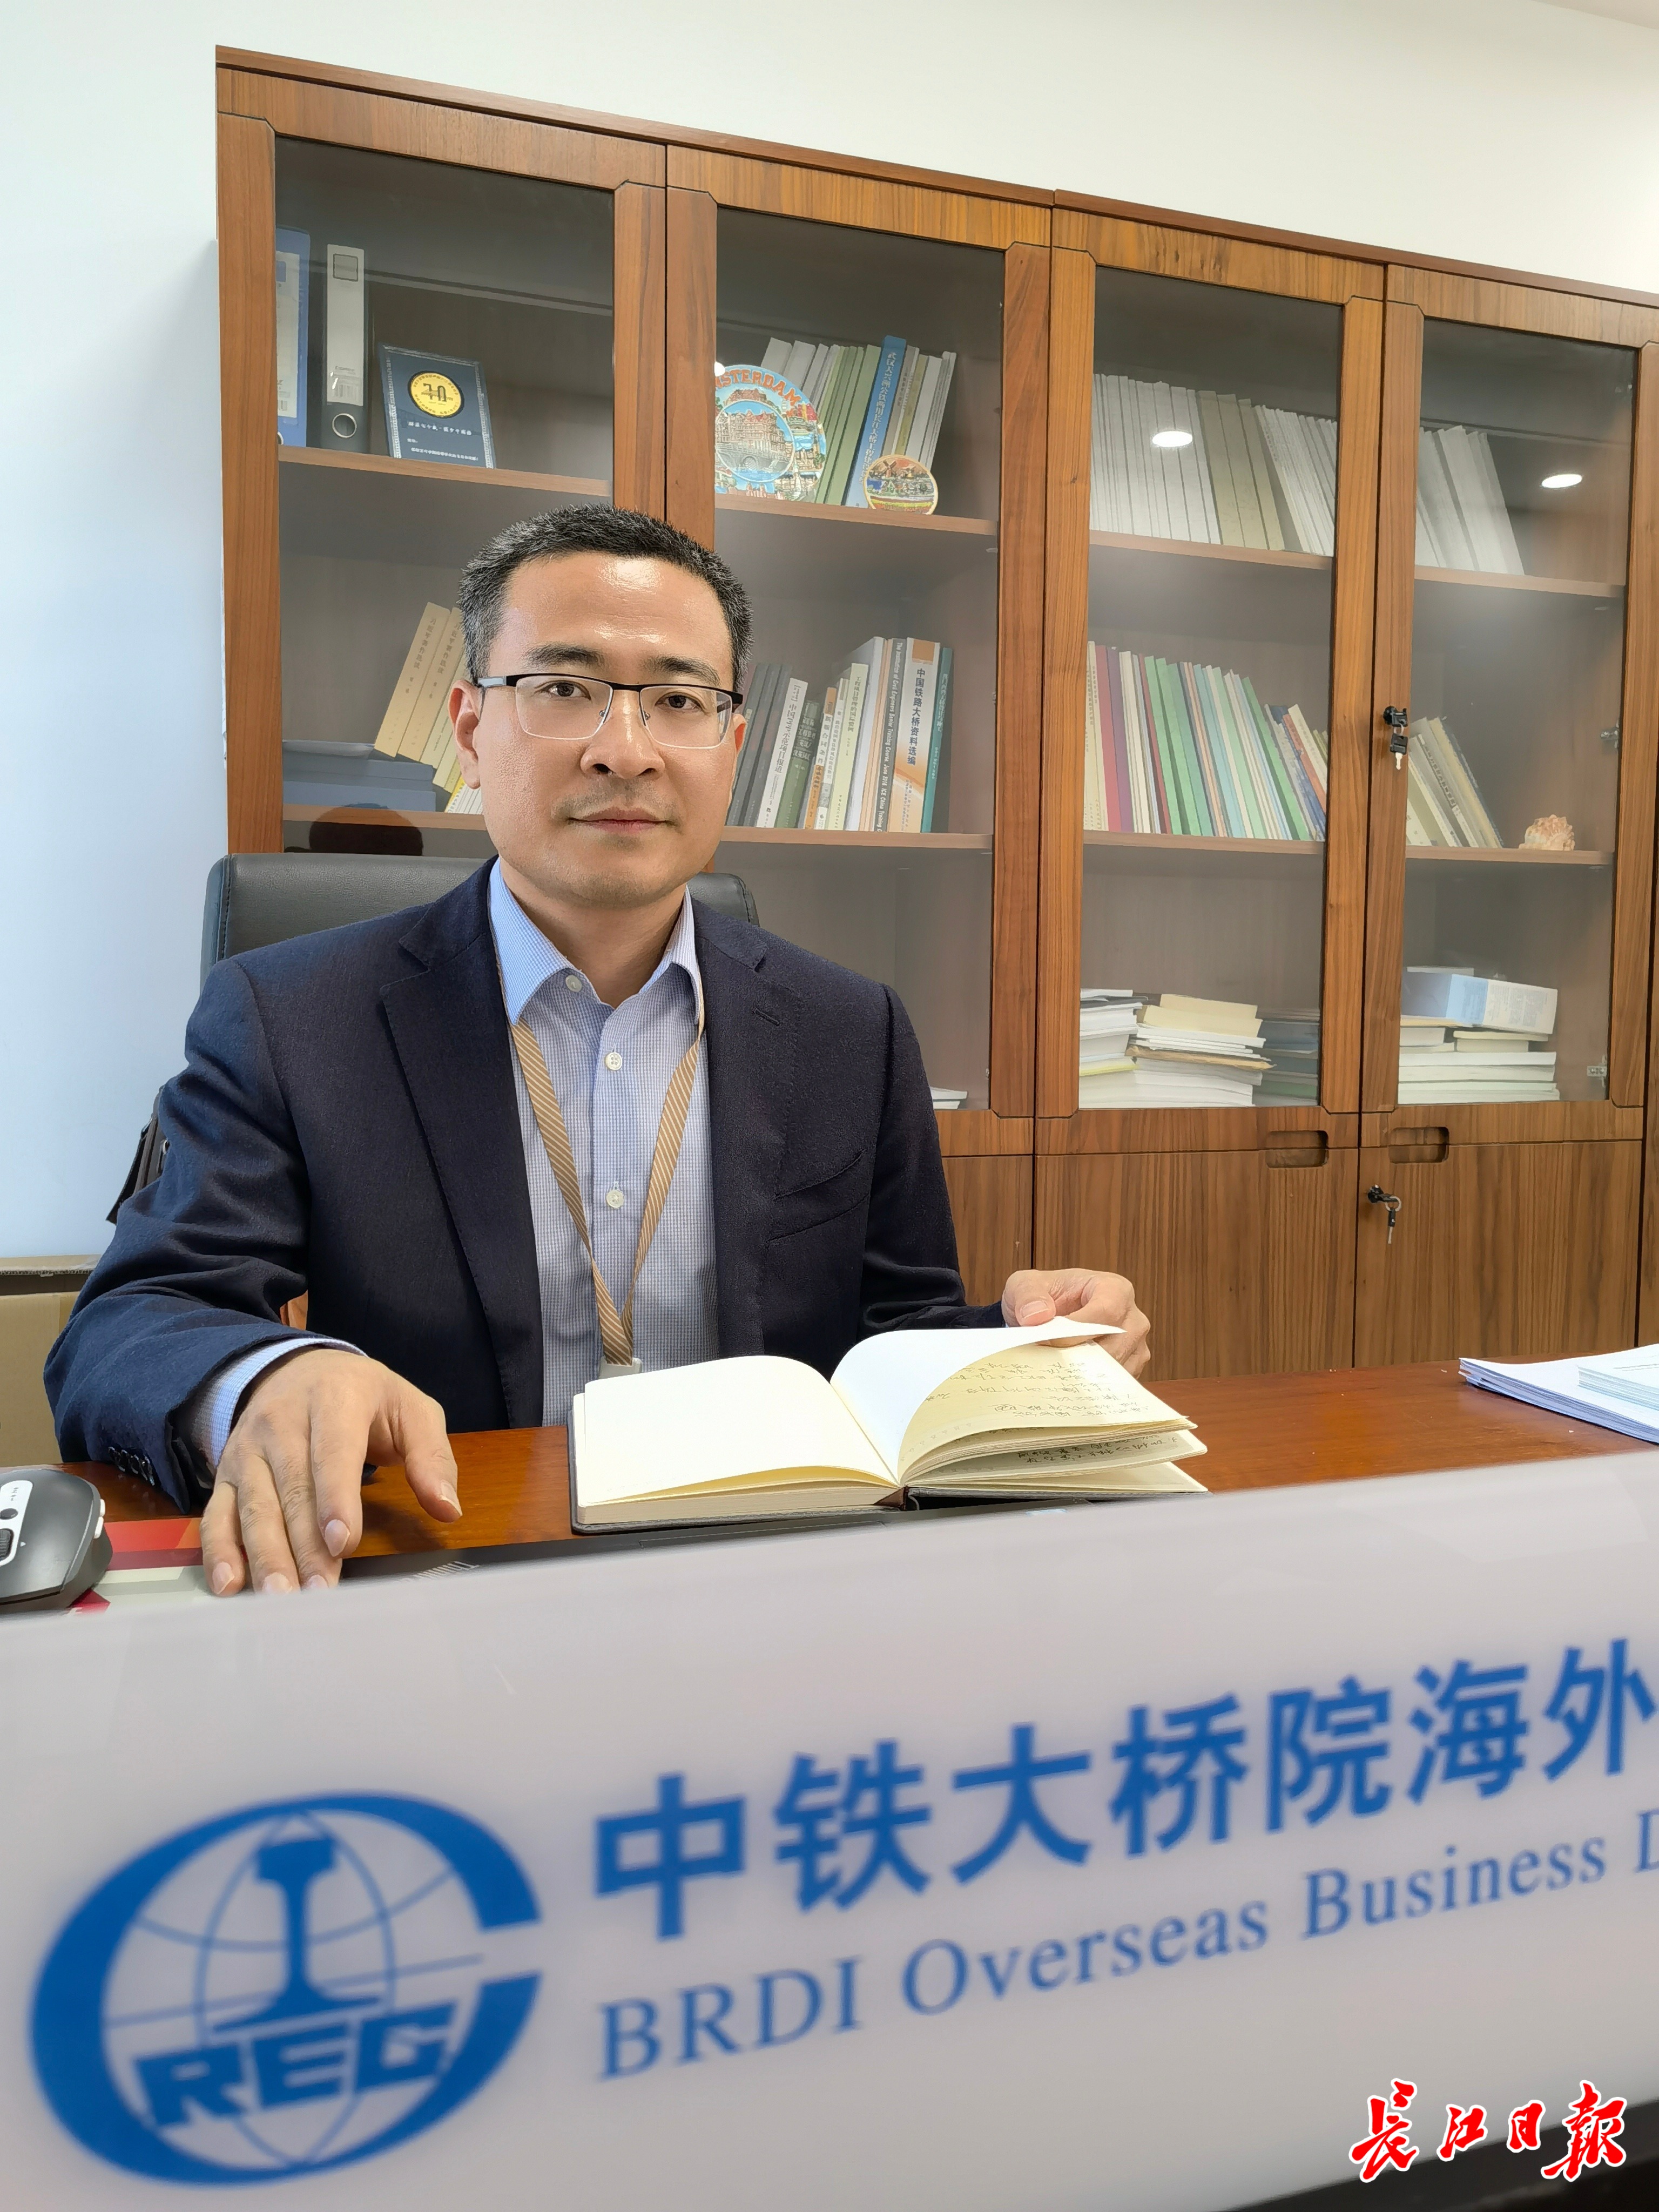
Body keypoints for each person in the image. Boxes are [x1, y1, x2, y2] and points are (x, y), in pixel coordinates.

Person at [49, 508, 1150, 1596]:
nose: (626, 749)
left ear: (731, 746)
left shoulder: (850, 1028)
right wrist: (269, 1376)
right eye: (565, 689)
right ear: (471, 727)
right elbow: (130, 1324)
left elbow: (893, 1337)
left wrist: (1017, 1345)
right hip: (453, 1581)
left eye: (680, 701)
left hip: (766, 1584)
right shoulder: (293, 1016)